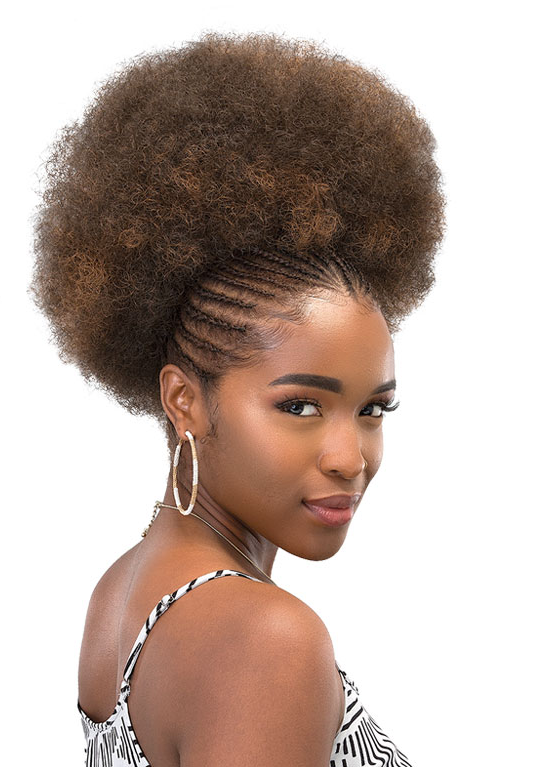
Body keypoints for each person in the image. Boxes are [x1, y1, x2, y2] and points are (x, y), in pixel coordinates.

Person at [29, 30, 445, 767]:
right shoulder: (265, 641)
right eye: (299, 406)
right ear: (184, 400)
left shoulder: (121, 590)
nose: (350, 458)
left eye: (372, 409)